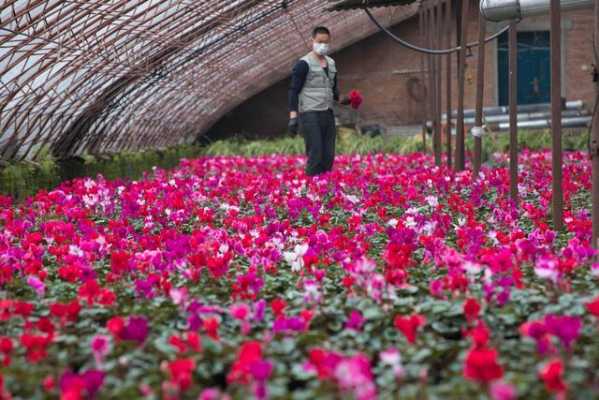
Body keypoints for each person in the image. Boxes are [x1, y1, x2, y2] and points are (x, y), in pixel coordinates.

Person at [288, 26, 350, 176]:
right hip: (310, 112)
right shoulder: (303, 64)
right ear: (313, 41)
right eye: (320, 41)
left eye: (326, 42)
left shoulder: (331, 63)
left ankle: (324, 185)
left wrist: (343, 99)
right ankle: (311, 187)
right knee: (316, 151)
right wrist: (293, 117)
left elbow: (333, 89)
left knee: (328, 153)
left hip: (327, 112)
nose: (323, 45)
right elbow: (293, 91)